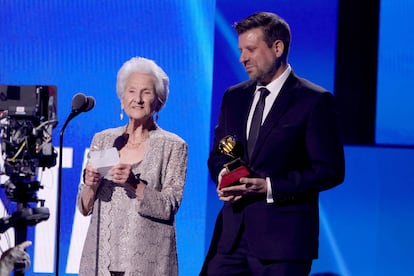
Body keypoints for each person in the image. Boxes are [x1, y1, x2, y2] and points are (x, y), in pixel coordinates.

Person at [201, 12, 345, 276]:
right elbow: (219, 153)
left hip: (283, 244)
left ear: (277, 48)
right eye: (241, 50)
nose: (242, 58)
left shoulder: (314, 101)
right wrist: (224, 175)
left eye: (251, 49)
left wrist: (270, 186)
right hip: (230, 240)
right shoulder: (234, 97)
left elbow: (329, 170)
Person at [76, 57, 188, 275]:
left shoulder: (173, 146)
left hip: (148, 264)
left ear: (159, 101)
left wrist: (133, 183)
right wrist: (91, 185)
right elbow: (84, 207)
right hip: (100, 261)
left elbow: (169, 206)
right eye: (131, 91)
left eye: (146, 92)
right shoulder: (103, 139)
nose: (137, 99)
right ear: (121, 98)